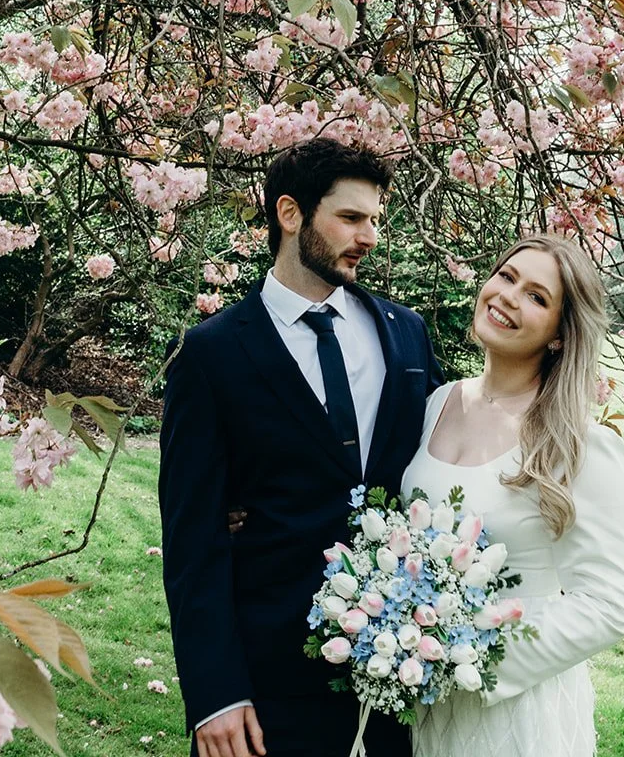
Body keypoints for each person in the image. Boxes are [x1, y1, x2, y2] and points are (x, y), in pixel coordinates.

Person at [159, 138, 443, 757]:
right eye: (350, 218)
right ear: (290, 214)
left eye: (374, 220)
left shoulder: (407, 335)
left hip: (396, 674)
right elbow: (192, 540)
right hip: (266, 685)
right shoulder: (211, 355)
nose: (368, 236)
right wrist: (215, 693)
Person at [403, 236, 624, 757]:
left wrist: (472, 656)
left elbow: (610, 604)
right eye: (507, 277)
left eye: (537, 296)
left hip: (514, 706)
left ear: (559, 335)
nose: (508, 296)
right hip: (420, 688)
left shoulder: (578, 443)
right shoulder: (439, 401)